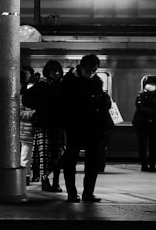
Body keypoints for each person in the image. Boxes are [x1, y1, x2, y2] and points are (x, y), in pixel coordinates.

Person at [59, 54, 109, 203]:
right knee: (71, 159)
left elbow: (101, 103)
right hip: (74, 125)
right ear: (81, 67)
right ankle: (72, 193)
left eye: (94, 71)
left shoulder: (96, 81)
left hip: (93, 127)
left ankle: (88, 193)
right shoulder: (68, 81)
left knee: (92, 162)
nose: (91, 73)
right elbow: (64, 105)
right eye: (89, 70)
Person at [23, 59, 65, 192]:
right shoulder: (42, 86)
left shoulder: (61, 87)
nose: (57, 74)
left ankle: (55, 181)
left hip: (57, 124)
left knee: (58, 154)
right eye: (54, 71)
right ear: (48, 72)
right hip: (45, 125)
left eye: (58, 71)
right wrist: (40, 107)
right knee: (45, 154)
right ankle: (45, 181)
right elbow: (26, 98)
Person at [132, 76, 156, 172]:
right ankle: (144, 165)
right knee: (144, 144)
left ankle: (151, 165)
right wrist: (154, 113)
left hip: (150, 123)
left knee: (152, 145)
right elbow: (140, 107)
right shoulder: (142, 95)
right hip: (142, 123)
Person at [18, 65, 36, 186]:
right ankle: (25, 176)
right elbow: (19, 113)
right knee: (25, 155)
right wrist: (33, 114)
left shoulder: (24, 95)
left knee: (26, 155)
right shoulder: (22, 96)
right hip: (26, 130)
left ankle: (26, 176)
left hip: (25, 130)